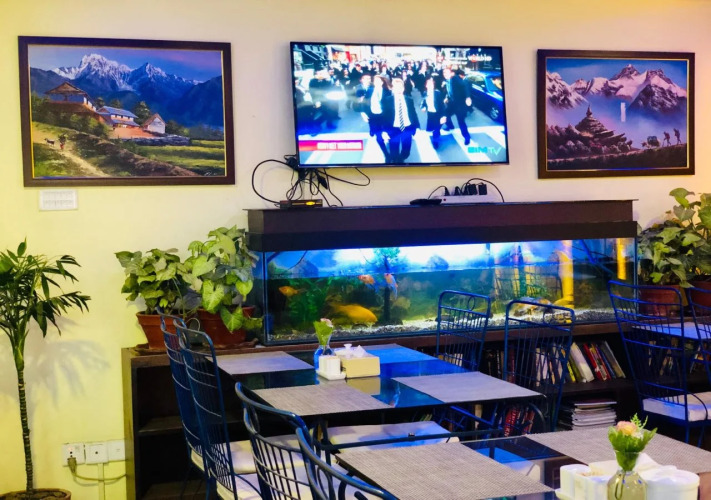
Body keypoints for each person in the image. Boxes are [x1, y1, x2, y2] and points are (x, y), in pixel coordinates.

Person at [382, 77, 420, 163]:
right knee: (394, 152)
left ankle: (401, 158)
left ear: (403, 88)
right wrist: (384, 131)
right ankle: (396, 162)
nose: (398, 90)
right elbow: (383, 117)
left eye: (400, 87)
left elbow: (413, 114)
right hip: (393, 129)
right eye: (396, 87)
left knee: (406, 151)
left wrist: (417, 128)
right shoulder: (387, 100)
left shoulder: (409, 100)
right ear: (392, 88)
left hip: (407, 128)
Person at [359, 74, 390, 161]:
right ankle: (386, 154)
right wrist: (363, 113)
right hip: (373, 116)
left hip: (384, 117)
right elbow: (364, 102)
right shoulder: (370, 90)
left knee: (387, 134)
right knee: (378, 136)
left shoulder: (387, 92)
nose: (377, 82)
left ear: (382, 82)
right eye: (375, 81)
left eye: (378, 81)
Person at [442, 66, 472, 145]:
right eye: (444, 72)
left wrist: (468, 97)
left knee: (461, 121)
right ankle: (450, 126)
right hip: (452, 104)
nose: (445, 74)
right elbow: (450, 92)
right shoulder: (446, 81)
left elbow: (465, 85)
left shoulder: (455, 79)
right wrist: (447, 98)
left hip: (459, 105)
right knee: (445, 114)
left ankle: (467, 137)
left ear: (451, 73)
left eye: (446, 72)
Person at [309, 67, 339, 131]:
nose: (322, 75)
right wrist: (316, 101)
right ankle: (317, 123)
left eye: (322, 73)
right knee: (325, 113)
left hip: (328, 100)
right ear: (316, 74)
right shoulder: (312, 82)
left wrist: (328, 79)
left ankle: (329, 124)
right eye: (320, 73)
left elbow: (330, 88)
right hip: (319, 101)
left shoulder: (325, 80)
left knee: (330, 112)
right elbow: (312, 92)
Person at [420, 76, 446, 149]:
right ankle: (436, 134)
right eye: (428, 84)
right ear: (426, 85)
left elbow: (442, 105)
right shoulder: (425, 93)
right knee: (432, 127)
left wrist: (443, 116)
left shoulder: (437, 93)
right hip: (430, 114)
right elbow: (423, 103)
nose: (430, 86)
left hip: (438, 113)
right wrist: (423, 107)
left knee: (436, 129)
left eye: (431, 84)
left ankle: (435, 142)